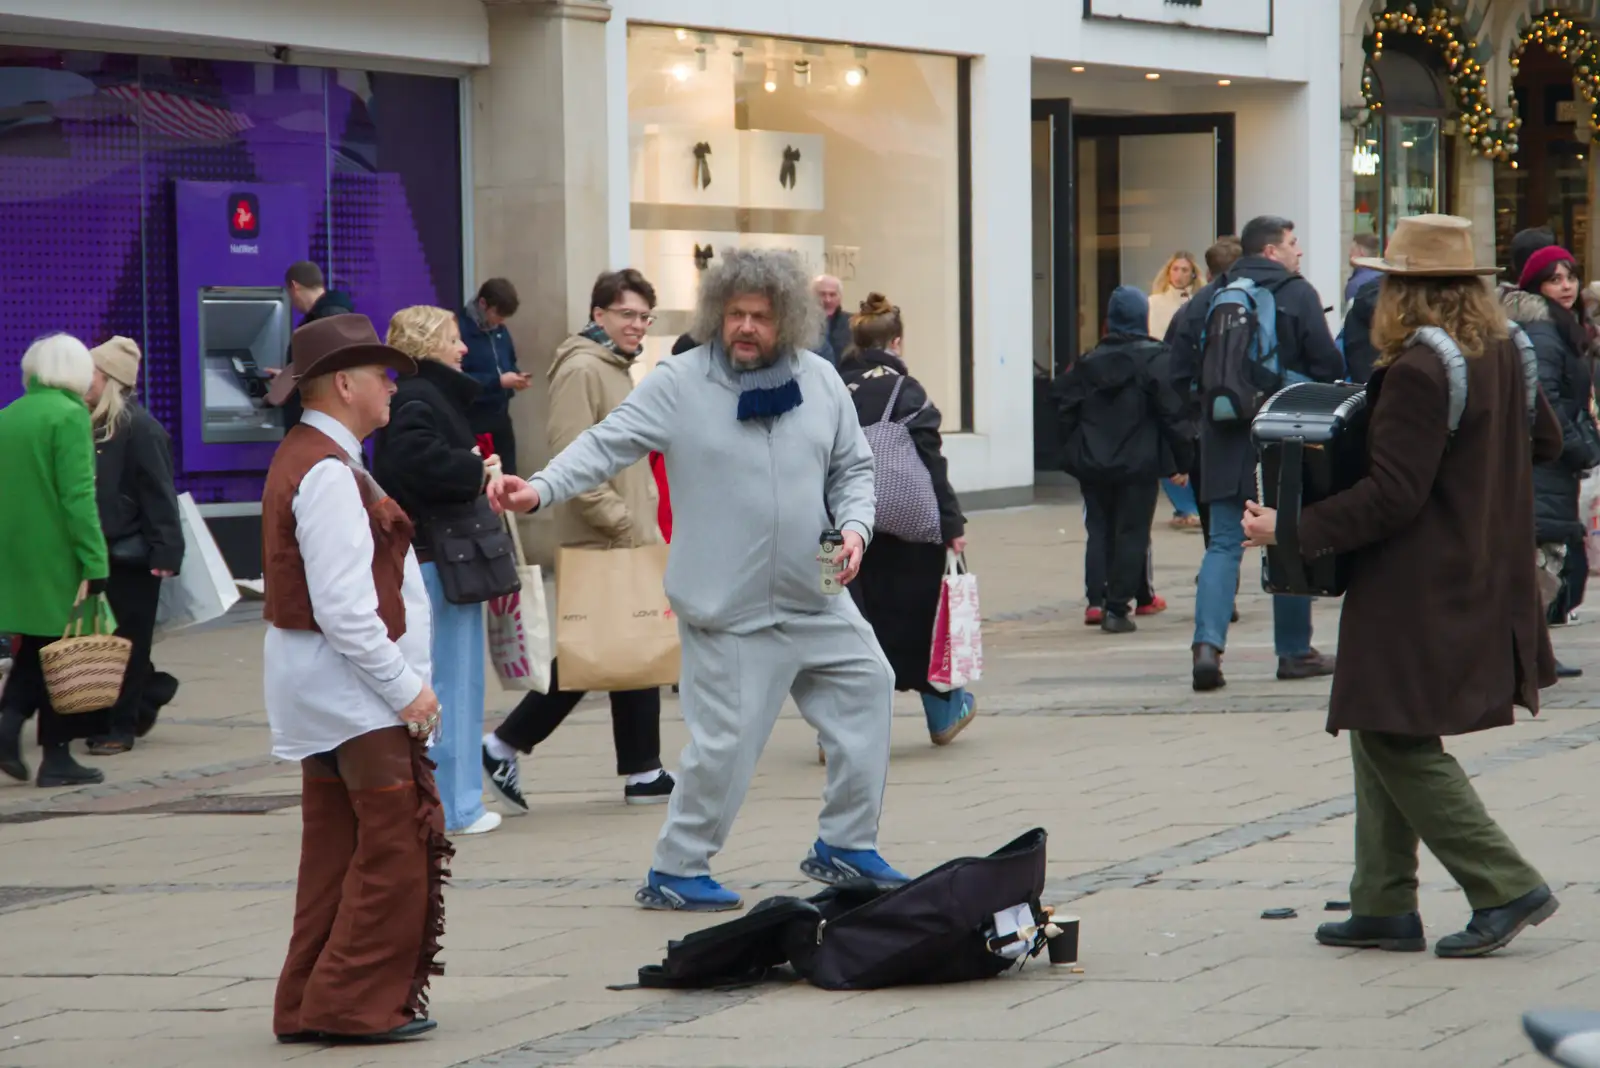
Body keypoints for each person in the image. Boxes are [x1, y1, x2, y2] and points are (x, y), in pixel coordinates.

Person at [489, 247, 906, 912]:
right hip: (728, 608)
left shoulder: (822, 381)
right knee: (726, 748)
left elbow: (853, 469)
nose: (745, 327)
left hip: (815, 594)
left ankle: (846, 844)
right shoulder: (679, 382)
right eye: (734, 314)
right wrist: (536, 490)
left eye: (760, 318)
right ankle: (676, 869)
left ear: (788, 321)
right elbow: (606, 443)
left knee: (870, 685)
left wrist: (855, 528)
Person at [1242, 213, 1561, 959]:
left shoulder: (1421, 366)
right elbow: (1546, 439)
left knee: (1392, 734)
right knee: (1379, 720)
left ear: (1403, 293)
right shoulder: (1503, 348)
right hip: (1485, 565)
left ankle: (1505, 883)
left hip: (1418, 582)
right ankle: (1382, 901)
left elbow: (1392, 495)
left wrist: (1287, 529)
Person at [261, 313, 451, 1043]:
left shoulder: (315, 457)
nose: (392, 386)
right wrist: (407, 688)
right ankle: (350, 1004)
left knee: (337, 850)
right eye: (381, 374)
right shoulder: (328, 471)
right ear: (344, 384)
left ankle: (309, 1000)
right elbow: (345, 608)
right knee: (396, 846)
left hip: (329, 688)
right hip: (353, 693)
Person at [480, 269, 675, 813]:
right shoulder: (583, 368)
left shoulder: (611, 366)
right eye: (626, 314)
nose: (636, 325)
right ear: (599, 315)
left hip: (623, 534)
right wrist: (624, 523)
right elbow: (571, 456)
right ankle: (503, 743)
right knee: (599, 653)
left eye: (643, 317)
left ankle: (643, 770)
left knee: (627, 651)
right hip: (605, 537)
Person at [1168, 214, 1344, 691]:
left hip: (1223, 439)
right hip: (1285, 434)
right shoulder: (1297, 293)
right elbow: (1328, 366)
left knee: (1224, 544)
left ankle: (1207, 647)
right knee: (1286, 538)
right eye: (1292, 243)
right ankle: (1293, 652)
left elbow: (1175, 366)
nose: (1299, 251)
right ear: (1271, 251)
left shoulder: (1209, 297)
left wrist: (1200, 418)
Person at [372, 306, 503, 836]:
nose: (464, 346)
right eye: (453, 338)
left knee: (452, 678)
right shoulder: (420, 398)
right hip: (439, 561)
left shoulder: (420, 396)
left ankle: (453, 798)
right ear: (428, 344)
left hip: (441, 558)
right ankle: (455, 803)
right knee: (451, 681)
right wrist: (476, 469)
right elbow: (412, 463)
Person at [838, 293, 974, 744]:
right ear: (896, 342)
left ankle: (836, 732)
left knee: (840, 624)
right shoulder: (906, 389)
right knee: (924, 619)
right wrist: (951, 526)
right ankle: (944, 713)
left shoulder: (830, 387)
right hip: (909, 527)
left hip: (835, 527)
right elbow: (932, 462)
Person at [0, 335, 112, 787]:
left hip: (13, 553)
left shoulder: (9, 415)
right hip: (57, 556)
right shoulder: (69, 416)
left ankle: (11, 729)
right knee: (65, 654)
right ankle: (57, 755)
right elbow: (78, 496)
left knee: (40, 650)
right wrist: (95, 560)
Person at [1057, 287, 1192, 634]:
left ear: (1109, 321)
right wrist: (1184, 458)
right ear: (1141, 317)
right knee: (1132, 532)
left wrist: (1074, 451)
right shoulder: (1156, 359)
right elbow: (1172, 414)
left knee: (1098, 529)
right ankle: (1118, 608)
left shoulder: (1086, 363)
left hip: (1093, 462)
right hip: (1139, 461)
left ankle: (1095, 601)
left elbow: (1062, 408)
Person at [81, 337, 184, 756]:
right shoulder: (93, 424)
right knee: (110, 640)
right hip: (105, 551)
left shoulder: (139, 428)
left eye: (91, 373)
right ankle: (149, 693)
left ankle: (121, 726)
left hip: (134, 556)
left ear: (109, 380)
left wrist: (166, 554)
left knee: (128, 642)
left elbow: (160, 493)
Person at [1503, 245, 1597, 670]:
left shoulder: (1562, 327)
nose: (1566, 287)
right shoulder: (1543, 331)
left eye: (1570, 278)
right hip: (1544, 462)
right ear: (1536, 287)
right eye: (1554, 279)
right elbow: (1545, 399)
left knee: (1546, 557)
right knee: (1540, 559)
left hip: (1553, 461)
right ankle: (1525, 654)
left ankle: (1532, 652)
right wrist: (1578, 443)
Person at [1148, 251, 1204, 530]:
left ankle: (1192, 506)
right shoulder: (1154, 303)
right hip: (1163, 372)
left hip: (1192, 379)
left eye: (1185, 270)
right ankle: (1185, 507)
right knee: (1169, 441)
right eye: (1175, 269)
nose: (1179, 275)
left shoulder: (1200, 302)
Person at [273, 261, 355, 431]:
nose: (292, 302)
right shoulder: (326, 317)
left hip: (321, 425)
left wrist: (290, 381)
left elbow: (330, 377)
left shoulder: (326, 319)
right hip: (322, 423)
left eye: (290, 294)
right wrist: (287, 377)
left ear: (294, 287)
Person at [458, 278, 529, 476]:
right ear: (483, 304)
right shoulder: (460, 330)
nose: (501, 321)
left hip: (500, 415)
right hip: (474, 418)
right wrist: (497, 382)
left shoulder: (500, 331)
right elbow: (459, 378)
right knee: (484, 477)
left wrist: (516, 376)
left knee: (508, 474)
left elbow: (509, 360)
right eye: (498, 314)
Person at [1339, 234, 1384, 384]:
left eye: (1352, 251)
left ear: (1361, 253)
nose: (1349, 255)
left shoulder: (1357, 285)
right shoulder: (1379, 280)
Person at [811, 274, 852, 366]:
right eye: (822, 294)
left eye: (832, 294)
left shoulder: (852, 323)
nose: (827, 300)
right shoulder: (799, 324)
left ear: (840, 297)